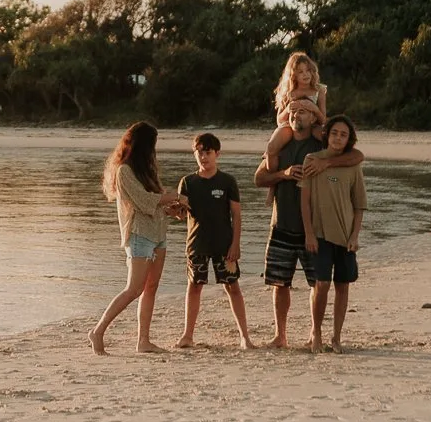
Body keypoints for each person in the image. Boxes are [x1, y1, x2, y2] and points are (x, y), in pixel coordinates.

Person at [256, 108, 364, 347]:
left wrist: (327, 163)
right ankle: (280, 335)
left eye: (304, 111)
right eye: (293, 111)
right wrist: (282, 174)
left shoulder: (319, 145)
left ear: (314, 119)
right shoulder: (277, 146)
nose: (297, 115)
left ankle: (317, 333)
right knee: (279, 283)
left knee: (318, 283)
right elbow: (259, 179)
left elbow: (356, 156)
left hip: (315, 230)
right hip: (282, 223)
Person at [90, 120, 172, 354]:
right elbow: (145, 202)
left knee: (151, 288)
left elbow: (155, 202)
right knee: (133, 288)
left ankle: (143, 340)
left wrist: (173, 207)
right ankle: (97, 331)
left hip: (158, 233)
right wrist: (171, 197)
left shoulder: (146, 170)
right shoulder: (124, 171)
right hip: (139, 235)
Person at [173, 132, 255, 349]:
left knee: (233, 287)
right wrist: (174, 210)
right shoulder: (187, 182)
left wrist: (235, 244)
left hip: (223, 243)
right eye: (199, 152)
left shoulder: (227, 181)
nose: (203, 157)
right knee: (194, 286)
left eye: (207, 152)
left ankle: (244, 337)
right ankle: (187, 335)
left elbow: (236, 215)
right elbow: (182, 214)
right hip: (197, 243)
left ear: (217, 153)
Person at [299, 116, 366, 352]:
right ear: (327, 134)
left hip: (346, 235)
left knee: (343, 285)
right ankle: (316, 333)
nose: (338, 137)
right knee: (322, 283)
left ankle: (336, 337)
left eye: (344, 134)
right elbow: (305, 202)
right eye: (335, 132)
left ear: (349, 139)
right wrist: (308, 233)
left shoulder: (353, 165)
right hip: (319, 234)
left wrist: (355, 236)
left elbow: (359, 205)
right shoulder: (312, 160)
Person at [264, 52, 328, 178]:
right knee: (272, 146)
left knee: (326, 138)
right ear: (293, 75)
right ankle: (272, 173)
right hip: (290, 125)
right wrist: (288, 109)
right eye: (300, 72)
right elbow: (279, 121)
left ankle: (329, 164)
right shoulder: (289, 92)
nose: (306, 74)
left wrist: (314, 109)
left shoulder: (319, 90)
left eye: (308, 70)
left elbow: (323, 120)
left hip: (313, 124)